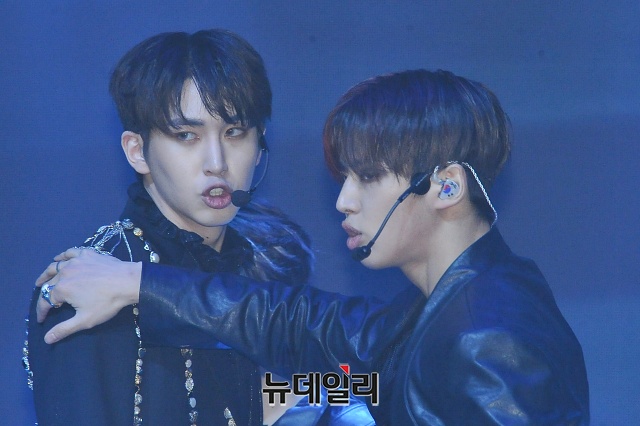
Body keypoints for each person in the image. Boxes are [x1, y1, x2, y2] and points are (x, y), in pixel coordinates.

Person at [35, 69, 590, 424]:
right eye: (186, 135)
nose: (343, 200)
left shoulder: (487, 336)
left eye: (367, 177)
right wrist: (136, 282)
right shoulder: (449, 304)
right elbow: (315, 332)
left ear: (446, 187)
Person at [25, 29, 373, 426]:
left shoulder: (264, 264)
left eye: (234, 132)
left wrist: (309, 399)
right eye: (187, 136)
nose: (216, 162)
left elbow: (368, 369)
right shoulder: (89, 283)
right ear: (137, 151)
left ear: (260, 146)